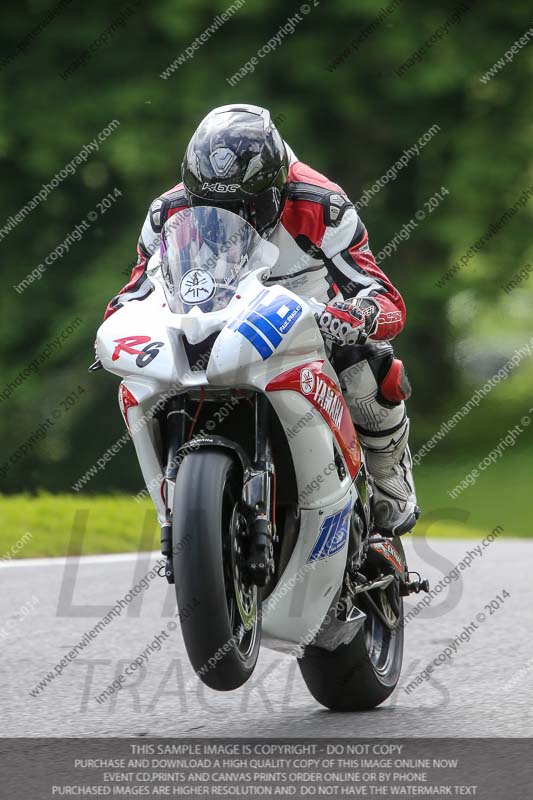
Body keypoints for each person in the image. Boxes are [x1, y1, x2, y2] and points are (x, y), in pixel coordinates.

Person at [104, 103, 419, 536]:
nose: (229, 217)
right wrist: (120, 328)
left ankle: (389, 481)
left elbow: (382, 295)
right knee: (141, 381)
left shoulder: (321, 205)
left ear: (276, 187)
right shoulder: (166, 213)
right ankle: (178, 511)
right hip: (212, 327)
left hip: (307, 325)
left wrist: (358, 315)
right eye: (211, 204)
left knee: (369, 364)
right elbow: (135, 292)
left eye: (242, 205)